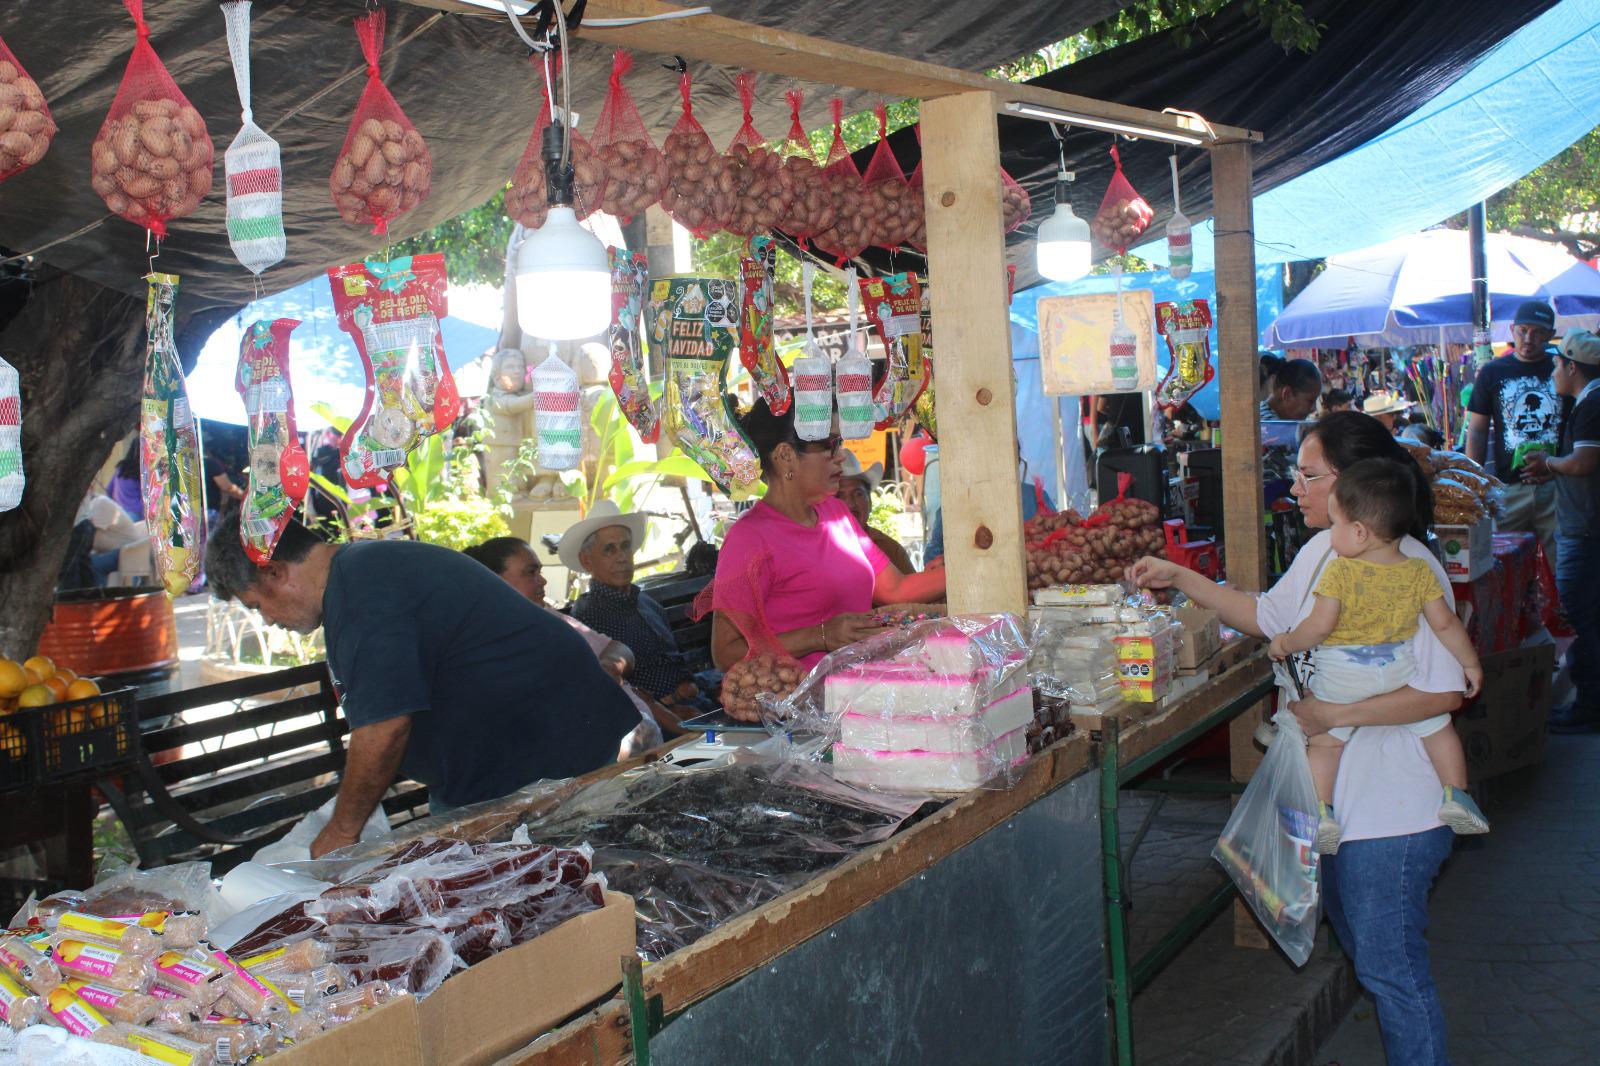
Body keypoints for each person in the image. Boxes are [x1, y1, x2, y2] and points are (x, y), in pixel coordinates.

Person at [1129, 410, 1466, 1064]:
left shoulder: (1410, 569)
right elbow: (1265, 615)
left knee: (1392, 972)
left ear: (1353, 484)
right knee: (1368, 955)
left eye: (1309, 475)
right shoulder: (1326, 550)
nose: (1295, 487)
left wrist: (1331, 716)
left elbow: (1444, 694)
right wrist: (1182, 578)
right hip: (1335, 810)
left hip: (1395, 814)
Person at [204, 514, 639, 856]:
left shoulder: (361, 591)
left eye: (256, 606)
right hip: (520, 761)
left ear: (274, 572)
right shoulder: (360, 573)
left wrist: (341, 832)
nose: (268, 621)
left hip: (545, 767)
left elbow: (385, 727)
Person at [1265, 458, 1488, 852]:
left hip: (1345, 678)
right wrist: (1470, 664)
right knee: (1437, 728)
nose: (1331, 533)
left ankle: (1323, 811)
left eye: (1335, 524)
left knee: (1326, 744)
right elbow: (1446, 625)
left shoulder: (1340, 572)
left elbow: (1318, 627)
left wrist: (1284, 643)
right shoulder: (1419, 571)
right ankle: (1456, 794)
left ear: (1359, 532)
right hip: (1396, 673)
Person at [711, 400, 945, 673]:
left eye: (839, 443)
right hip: (796, 695)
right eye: (829, 445)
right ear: (786, 456)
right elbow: (725, 652)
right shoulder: (749, 538)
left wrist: (965, 568)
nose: (840, 455)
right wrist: (819, 636)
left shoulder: (836, 513)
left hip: (856, 687)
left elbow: (896, 589)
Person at [463, 536, 671, 755]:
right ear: (494, 581)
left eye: (540, 571)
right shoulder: (496, 646)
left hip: (641, 735)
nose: (543, 580)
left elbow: (619, 649)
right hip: (610, 752)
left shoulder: (549, 617)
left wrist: (608, 667)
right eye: (531, 572)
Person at [567, 501, 712, 718]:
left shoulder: (645, 601)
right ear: (586, 561)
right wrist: (670, 706)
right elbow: (609, 687)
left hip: (697, 698)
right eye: (609, 549)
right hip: (658, 717)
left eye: (625, 546)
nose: (622, 557)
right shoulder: (588, 615)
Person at [1523, 329, 1600, 733]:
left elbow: (1584, 462)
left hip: (1584, 529)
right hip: (1583, 525)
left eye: (1556, 364)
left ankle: (1588, 708)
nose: (1552, 372)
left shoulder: (1592, 403)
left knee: (1577, 617)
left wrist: (1549, 464)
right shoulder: (1589, 401)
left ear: (1572, 367)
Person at [1466, 299, 1563, 564]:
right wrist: (1474, 481)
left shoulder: (1562, 367)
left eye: (1538, 332)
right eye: (1523, 330)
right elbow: (1477, 430)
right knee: (1506, 563)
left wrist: (1560, 466)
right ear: (1512, 330)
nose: (1528, 338)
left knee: (1559, 565)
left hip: (1556, 485)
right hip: (1509, 488)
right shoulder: (1493, 372)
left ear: (1551, 335)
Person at [836, 451, 915, 574]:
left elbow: (912, 584)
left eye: (858, 494)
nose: (850, 504)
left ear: (870, 501)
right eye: (840, 496)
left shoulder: (890, 549)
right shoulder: (817, 548)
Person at [1258, 353, 1322, 421]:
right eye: (1310, 401)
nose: (1314, 409)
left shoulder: (1262, 417)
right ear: (1287, 394)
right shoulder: (1267, 424)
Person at [107, 442, 142, 521]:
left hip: (118, 515)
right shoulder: (140, 473)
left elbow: (109, 490)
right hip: (135, 515)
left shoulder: (120, 468)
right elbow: (143, 499)